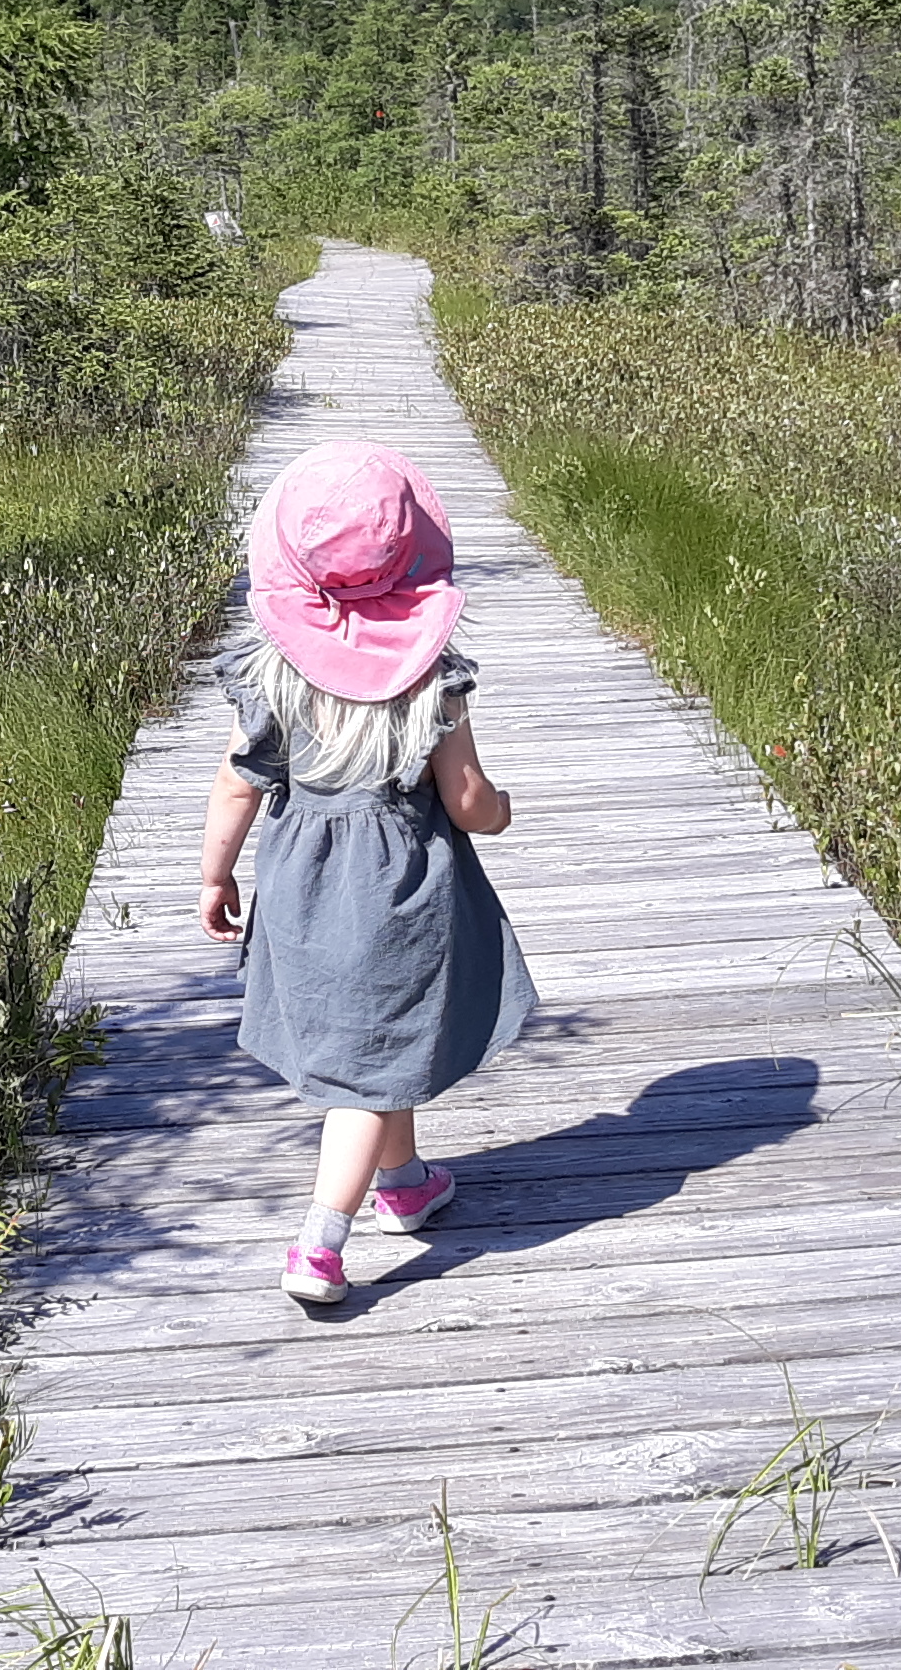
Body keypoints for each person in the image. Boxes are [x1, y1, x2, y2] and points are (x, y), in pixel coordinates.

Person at [198, 439, 535, 1306]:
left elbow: (238, 783)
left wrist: (215, 876)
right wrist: (500, 808)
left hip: (306, 888)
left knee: (376, 1043)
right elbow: (465, 802)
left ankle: (407, 1182)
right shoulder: (433, 680)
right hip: (402, 894)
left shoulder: (273, 677)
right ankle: (320, 1241)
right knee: (363, 1074)